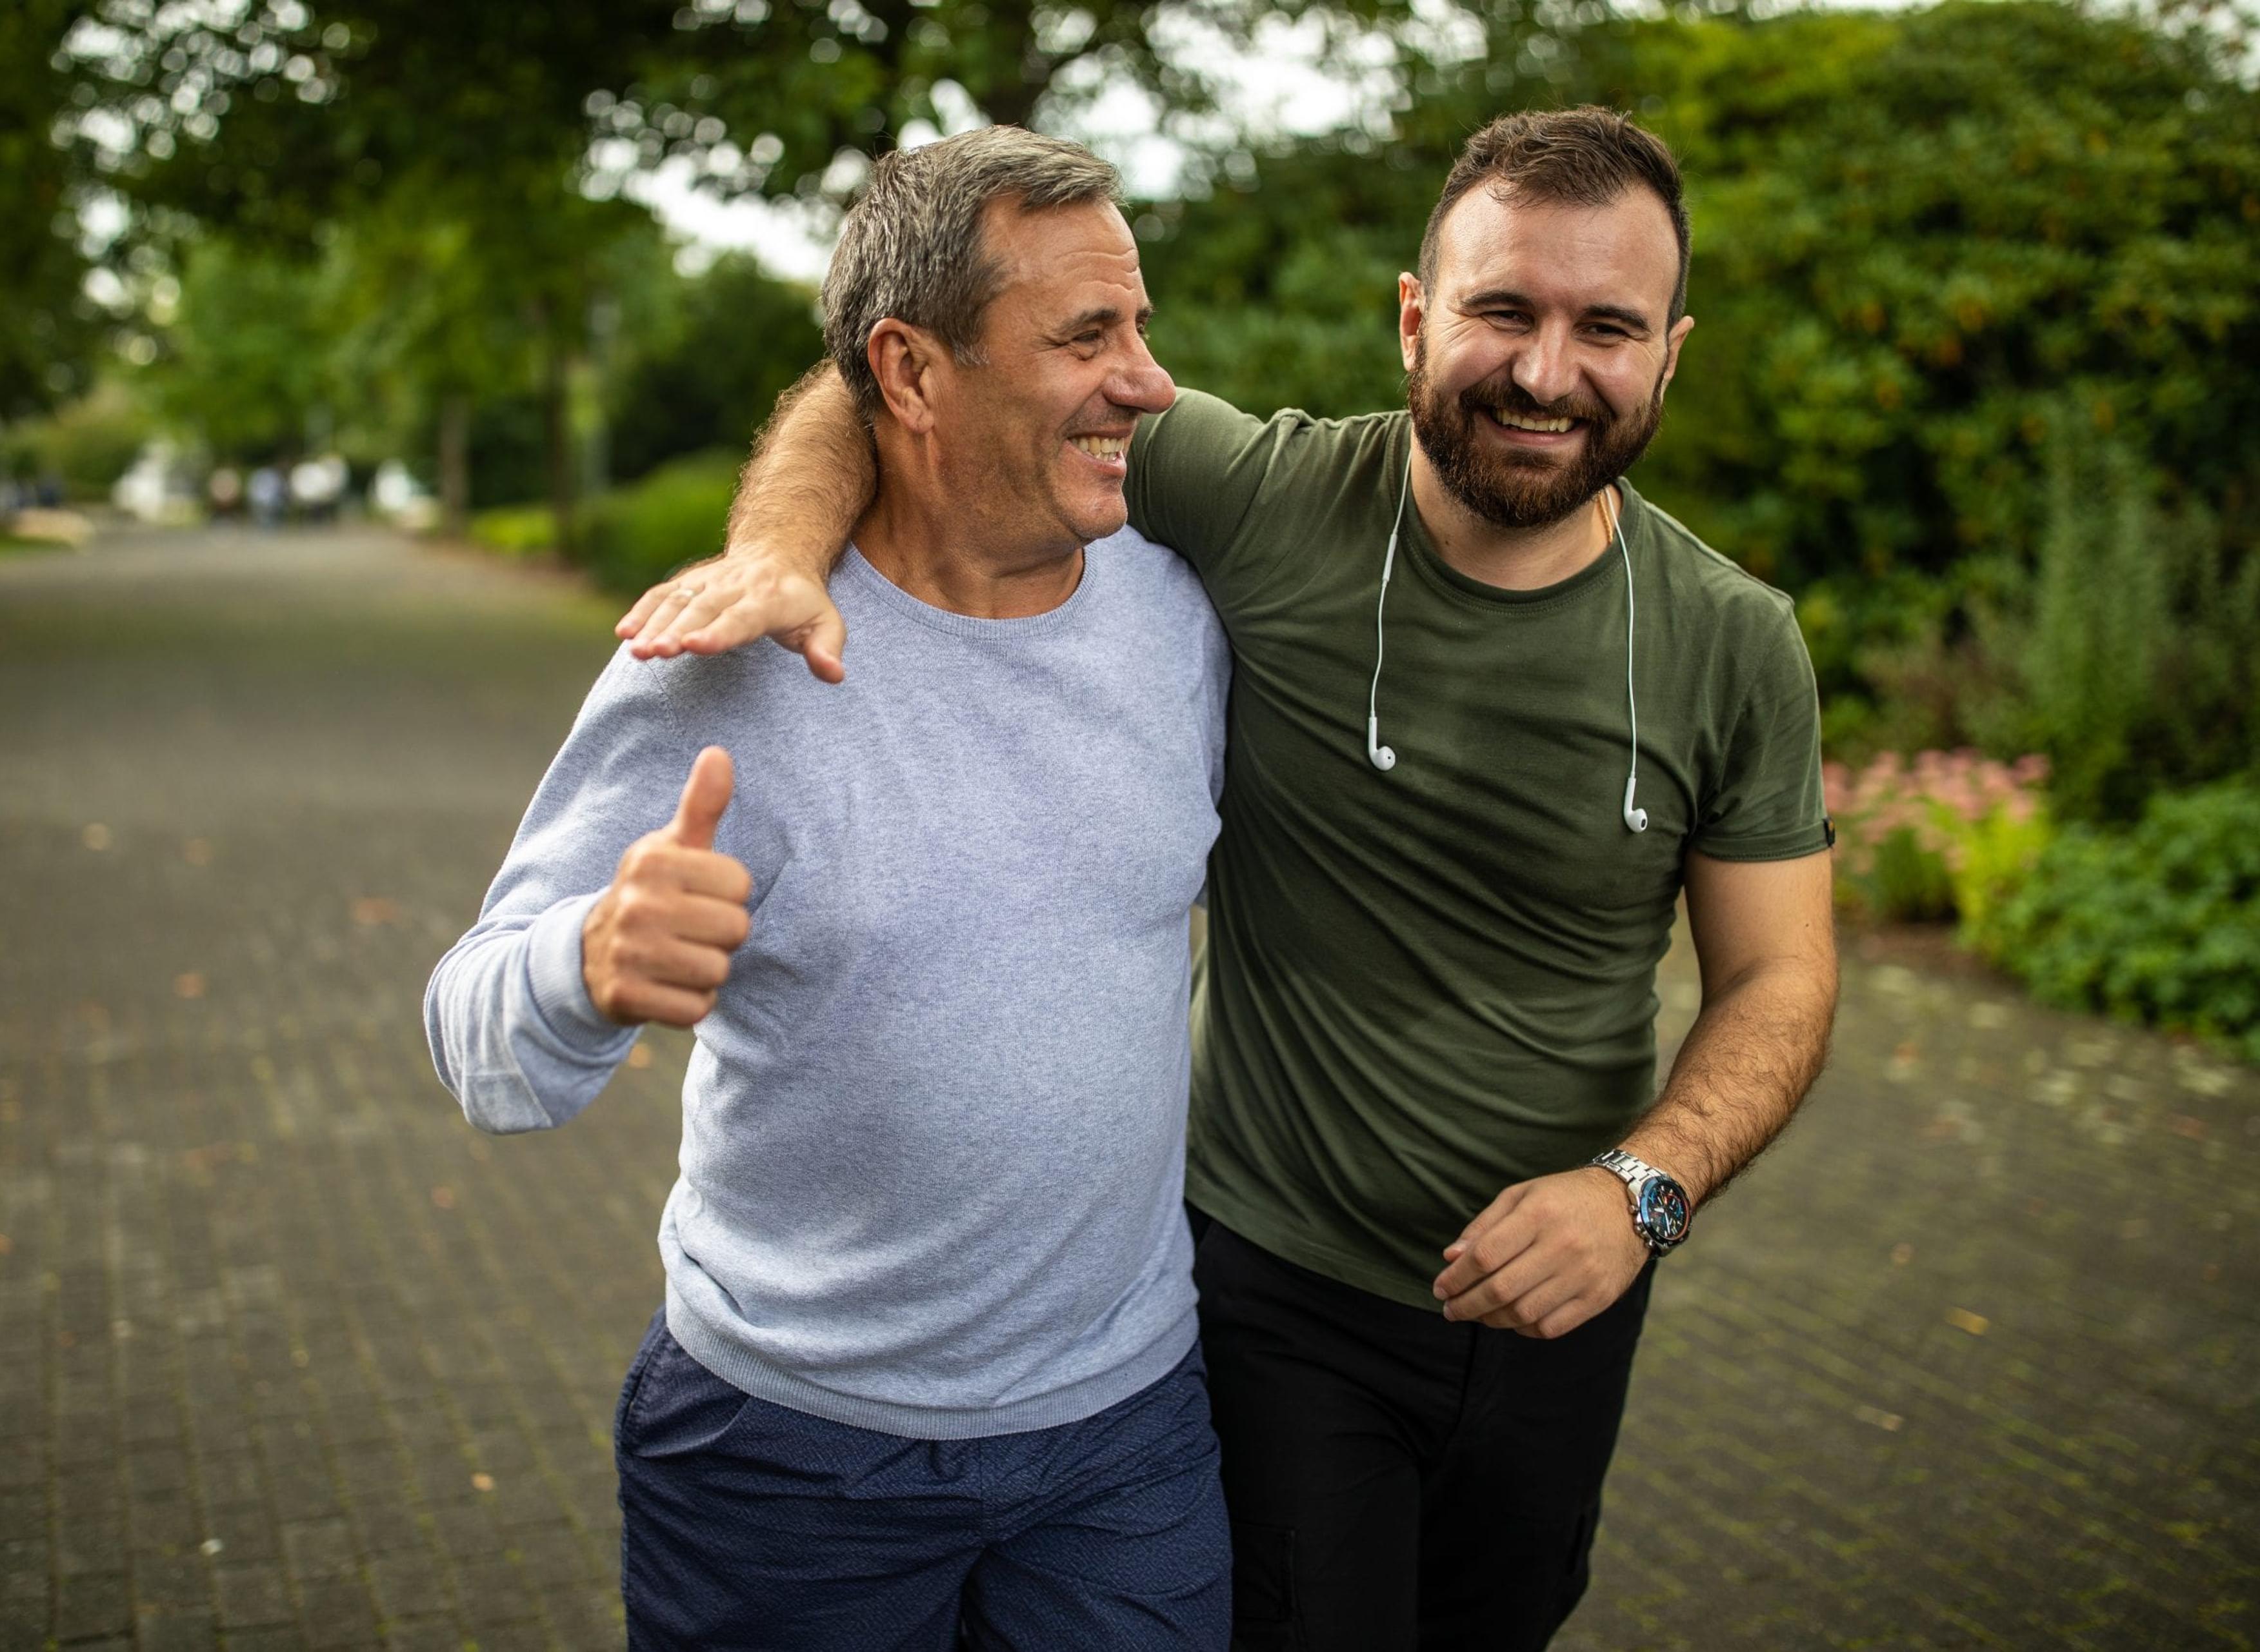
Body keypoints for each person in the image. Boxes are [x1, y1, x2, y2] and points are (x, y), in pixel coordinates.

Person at [614, 107, 1840, 1651]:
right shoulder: (1267, 501)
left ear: (1669, 353)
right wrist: (783, 557)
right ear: (1415, 318)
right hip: (1273, 1294)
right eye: (1502, 311)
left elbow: (1782, 980)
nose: (1546, 372)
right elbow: (904, 383)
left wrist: (1640, 1194)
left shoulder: (1736, 641)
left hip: (1568, 1305)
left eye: (1607, 327)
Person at [424, 126, 1235, 1649]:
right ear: (913, 375)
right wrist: (585, 966)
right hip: (787, 1461)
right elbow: (477, 1043)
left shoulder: (1183, 614)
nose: (1149, 381)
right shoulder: (728, 665)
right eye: (1085, 337)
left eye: (1139, 324)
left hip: (1126, 1435)